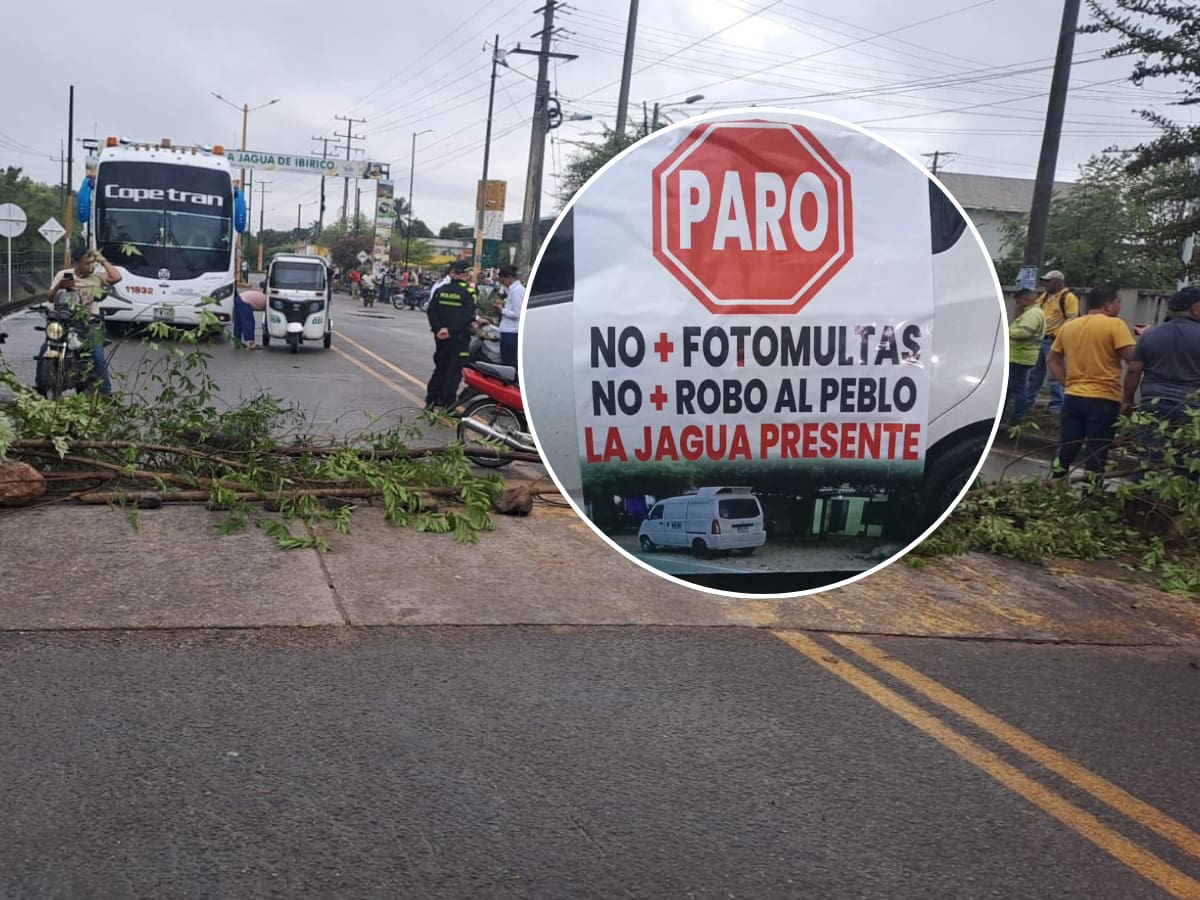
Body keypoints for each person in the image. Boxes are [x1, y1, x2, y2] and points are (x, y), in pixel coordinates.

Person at [1045, 283, 1135, 479]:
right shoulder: (1115, 325)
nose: (1120, 306)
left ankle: (1053, 486)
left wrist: (1067, 383)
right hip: (1104, 398)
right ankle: (1089, 494)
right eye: (1119, 302)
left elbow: (1052, 360)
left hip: (1073, 396)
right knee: (1097, 450)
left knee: (1067, 446)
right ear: (1109, 304)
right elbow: (1133, 361)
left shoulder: (1069, 326)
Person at [1121, 285, 1200, 475]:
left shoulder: (1150, 335)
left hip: (1153, 405)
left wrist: (1128, 400)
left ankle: (1144, 501)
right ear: (1196, 308)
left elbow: (1133, 370)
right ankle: (1178, 502)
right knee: (1188, 461)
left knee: (1149, 458)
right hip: (1191, 408)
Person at [46, 250, 122, 394]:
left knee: (98, 357)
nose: (91, 267)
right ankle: (44, 382)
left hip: (89, 321)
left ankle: (106, 391)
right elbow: (50, 297)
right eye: (87, 263)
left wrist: (103, 261)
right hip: (63, 320)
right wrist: (59, 286)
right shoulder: (63, 275)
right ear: (77, 263)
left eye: (93, 263)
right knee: (47, 345)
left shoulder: (96, 278)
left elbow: (117, 277)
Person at [424, 259, 481, 411]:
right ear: (463, 274)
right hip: (458, 337)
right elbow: (468, 315)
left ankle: (431, 401)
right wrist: (451, 331)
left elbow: (431, 311)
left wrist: (439, 329)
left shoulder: (441, 290)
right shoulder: (468, 291)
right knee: (454, 371)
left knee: (440, 368)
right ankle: (448, 405)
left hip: (441, 337)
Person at [1025, 269, 1080, 413]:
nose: (1046, 284)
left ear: (1057, 282)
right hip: (1041, 339)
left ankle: (1057, 405)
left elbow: (1072, 319)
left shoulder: (1068, 297)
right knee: (1035, 373)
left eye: (1048, 281)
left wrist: (1059, 334)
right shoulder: (1045, 297)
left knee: (1054, 374)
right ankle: (1028, 401)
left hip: (1054, 340)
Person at [1001, 288, 1045, 427]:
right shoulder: (1030, 312)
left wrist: (1006, 331)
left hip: (1020, 356)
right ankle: (1006, 415)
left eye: (1019, 301)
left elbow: (1023, 333)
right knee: (1009, 388)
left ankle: (1016, 418)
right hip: (1019, 356)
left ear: (1026, 300)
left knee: (1018, 388)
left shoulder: (1032, 314)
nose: (1017, 304)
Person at [496, 264, 524, 369]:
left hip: (512, 331)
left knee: (509, 364)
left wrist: (502, 310)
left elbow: (518, 313)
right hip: (508, 330)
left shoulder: (517, 291)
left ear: (509, 278)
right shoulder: (513, 290)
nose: (501, 283)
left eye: (502, 280)